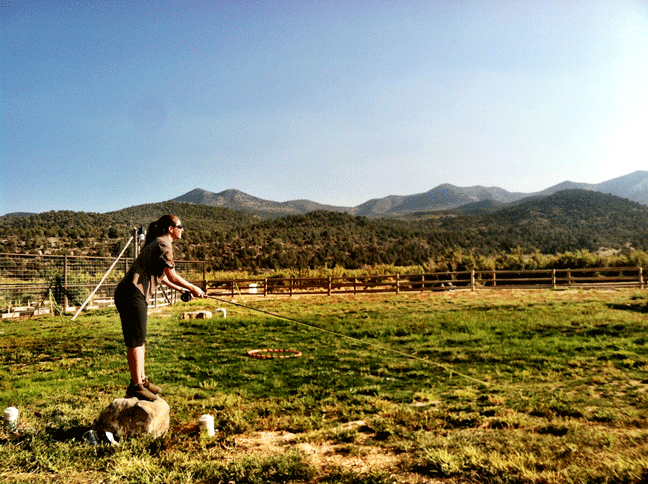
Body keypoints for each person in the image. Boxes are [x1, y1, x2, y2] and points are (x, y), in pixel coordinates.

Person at [114, 214, 205, 401]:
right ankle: (136, 386)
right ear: (171, 229)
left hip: (133, 293)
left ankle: (142, 380)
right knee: (135, 341)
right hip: (132, 293)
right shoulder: (164, 244)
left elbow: (162, 277)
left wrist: (181, 290)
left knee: (140, 339)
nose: (182, 230)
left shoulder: (158, 243)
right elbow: (172, 275)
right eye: (180, 226)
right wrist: (193, 288)